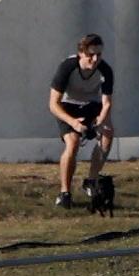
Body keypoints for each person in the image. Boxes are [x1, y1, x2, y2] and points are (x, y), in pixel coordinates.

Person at [49, 33, 114, 209]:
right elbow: (53, 104)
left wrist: (99, 122)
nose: (95, 59)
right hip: (67, 106)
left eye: (99, 55)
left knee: (108, 133)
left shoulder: (105, 70)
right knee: (73, 142)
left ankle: (91, 180)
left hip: (91, 105)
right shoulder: (67, 67)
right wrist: (74, 123)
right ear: (81, 54)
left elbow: (106, 103)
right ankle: (65, 193)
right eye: (90, 55)